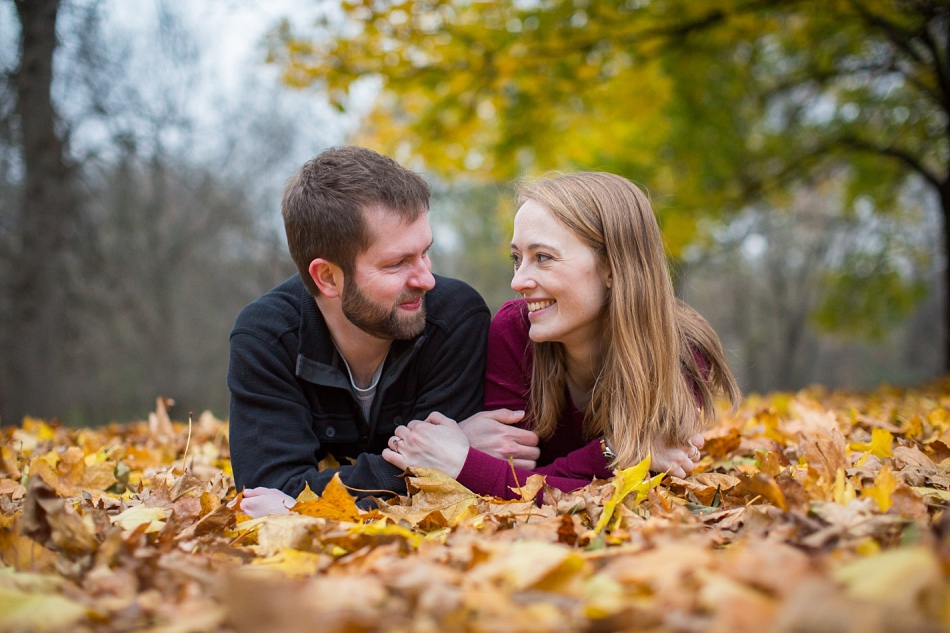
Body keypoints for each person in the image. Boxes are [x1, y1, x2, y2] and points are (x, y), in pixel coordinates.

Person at [382, 171, 741, 500]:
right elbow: (509, 484)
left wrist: (463, 464)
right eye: (516, 258)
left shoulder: (679, 349)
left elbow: (639, 495)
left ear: (613, 268)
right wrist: (617, 456)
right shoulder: (515, 332)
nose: (518, 281)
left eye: (543, 257)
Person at [228, 146, 539, 517]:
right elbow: (267, 492)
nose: (426, 278)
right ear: (327, 277)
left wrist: (306, 503)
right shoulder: (266, 337)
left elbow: (447, 488)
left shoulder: (456, 317)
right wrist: (441, 454)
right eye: (396, 264)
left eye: (425, 252)